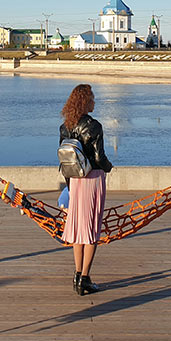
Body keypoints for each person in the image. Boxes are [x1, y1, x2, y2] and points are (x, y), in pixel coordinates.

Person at [59, 84, 113, 295]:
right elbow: (99, 158)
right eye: (92, 98)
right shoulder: (94, 126)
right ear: (85, 101)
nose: (94, 101)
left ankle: (77, 273)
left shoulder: (65, 126)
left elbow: (64, 161)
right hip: (92, 181)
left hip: (75, 181)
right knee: (91, 231)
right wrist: (109, 168)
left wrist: (70, 184)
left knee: (78, 230)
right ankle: (85, 279)